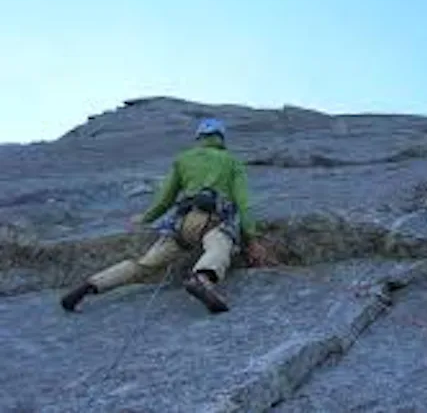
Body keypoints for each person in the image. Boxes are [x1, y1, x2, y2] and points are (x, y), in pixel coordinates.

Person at [60, 117, 272, 314]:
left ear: (199, 138)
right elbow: (244, 203)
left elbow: (165, 199)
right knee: (219, 247)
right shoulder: (231, 161)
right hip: (214, 220)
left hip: (181, 223)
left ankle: (91, 285)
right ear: (221, 137)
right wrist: (251, 240)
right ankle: (202, 279)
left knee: (144, 264)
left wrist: (145, 218)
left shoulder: (183, 160)